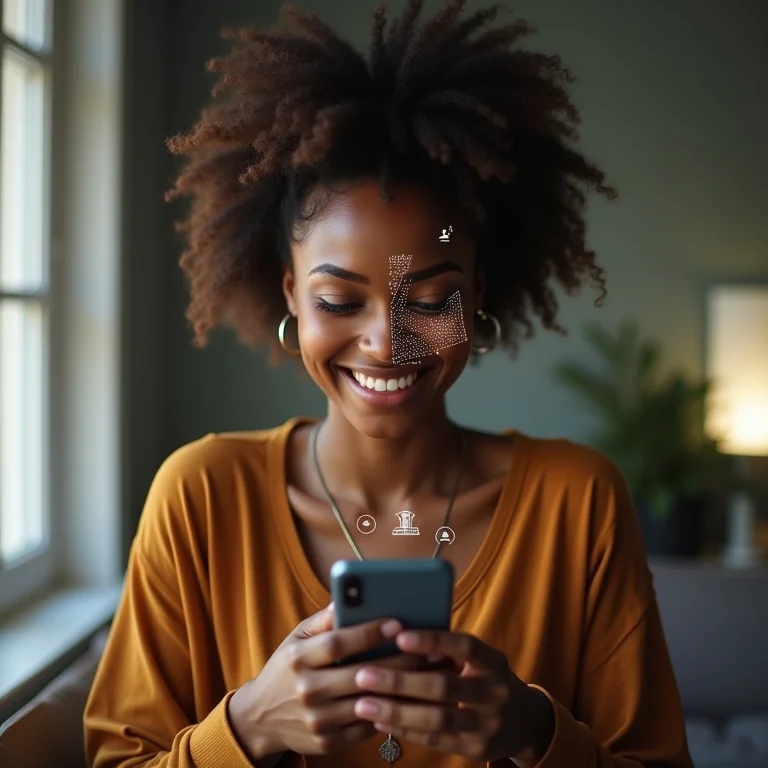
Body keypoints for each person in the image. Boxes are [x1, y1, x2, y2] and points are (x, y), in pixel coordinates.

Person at [83, 1, 694, 766]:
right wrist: (249, 725)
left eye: (431, 300)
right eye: (340, 301)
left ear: (477, 294)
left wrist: (533, 733)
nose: (387, 342)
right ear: (291, 297)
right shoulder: (200, 498)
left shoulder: (577, 503)